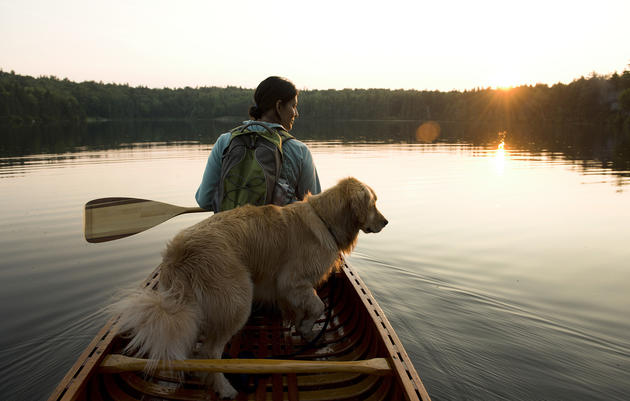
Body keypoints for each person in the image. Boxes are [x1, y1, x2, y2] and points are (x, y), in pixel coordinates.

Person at [195, 76, 321, 211]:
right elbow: (316, 208)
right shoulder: (299, 150)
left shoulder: (225, 141)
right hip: (276, 231)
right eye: (293, 106)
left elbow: (204, 200)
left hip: (230, 230)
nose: (296, 113)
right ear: (279, 106)